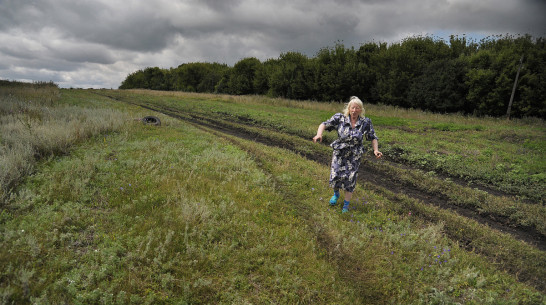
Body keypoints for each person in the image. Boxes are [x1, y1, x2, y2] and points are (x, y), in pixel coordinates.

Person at [313, 96, 382, 213]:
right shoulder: (340, 118)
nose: (354, 110)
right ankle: (336, 194)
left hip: (354, 154)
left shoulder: (366, 122)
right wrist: (319, 134)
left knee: (350, 179)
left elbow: (373, 137)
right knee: (335, 175)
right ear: (349, 108)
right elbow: (324, 124)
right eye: (352, 107)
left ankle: (346, 205)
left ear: (361, 110)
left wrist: (376, 150)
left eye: (357, 108)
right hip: (339, 151)